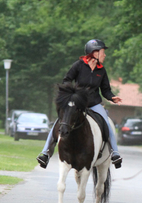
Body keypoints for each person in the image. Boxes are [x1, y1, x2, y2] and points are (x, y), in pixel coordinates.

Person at [37, 39, 123, 169]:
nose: (105, 55)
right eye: (103, 52)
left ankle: (115, 153)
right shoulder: (78, 65)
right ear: (94, 53)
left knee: (106, 123)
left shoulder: (101, 70)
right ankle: (45, 153)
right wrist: (71, 94)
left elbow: (105, 90)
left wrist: (112, 97)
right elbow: (66, 80)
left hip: (93, 103)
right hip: (77, 103)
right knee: (59, 122)